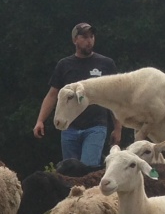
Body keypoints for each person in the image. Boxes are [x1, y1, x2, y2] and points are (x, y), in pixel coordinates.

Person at [34, 23, 120, 168]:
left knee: (88, 168)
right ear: (75, 40)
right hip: (69, 127)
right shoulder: (64, 65)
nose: (89, 40)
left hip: (96, 126)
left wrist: (118, 129)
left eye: (92, 37)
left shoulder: (106, 64)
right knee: (70, 171)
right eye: (84, 37)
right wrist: (40, 121)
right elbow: (52, 95)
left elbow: (115, 98)